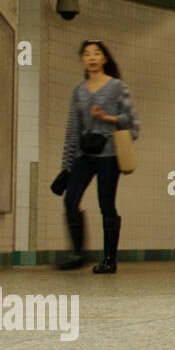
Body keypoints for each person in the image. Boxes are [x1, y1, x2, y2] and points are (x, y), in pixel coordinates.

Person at [56, 39, 140, 274]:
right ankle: (77, 254)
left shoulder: (117, 87)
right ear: (82, 60)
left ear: (104, 58)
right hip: (83, 154)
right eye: (86, 54)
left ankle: (109, 260)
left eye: (96, 53)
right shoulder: (79, 91)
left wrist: (107, 118)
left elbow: (132, 121)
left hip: (109, 153)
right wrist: (66, 163)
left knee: (106, 205)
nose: (92, 57)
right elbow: (72, 128)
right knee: (70, 200)